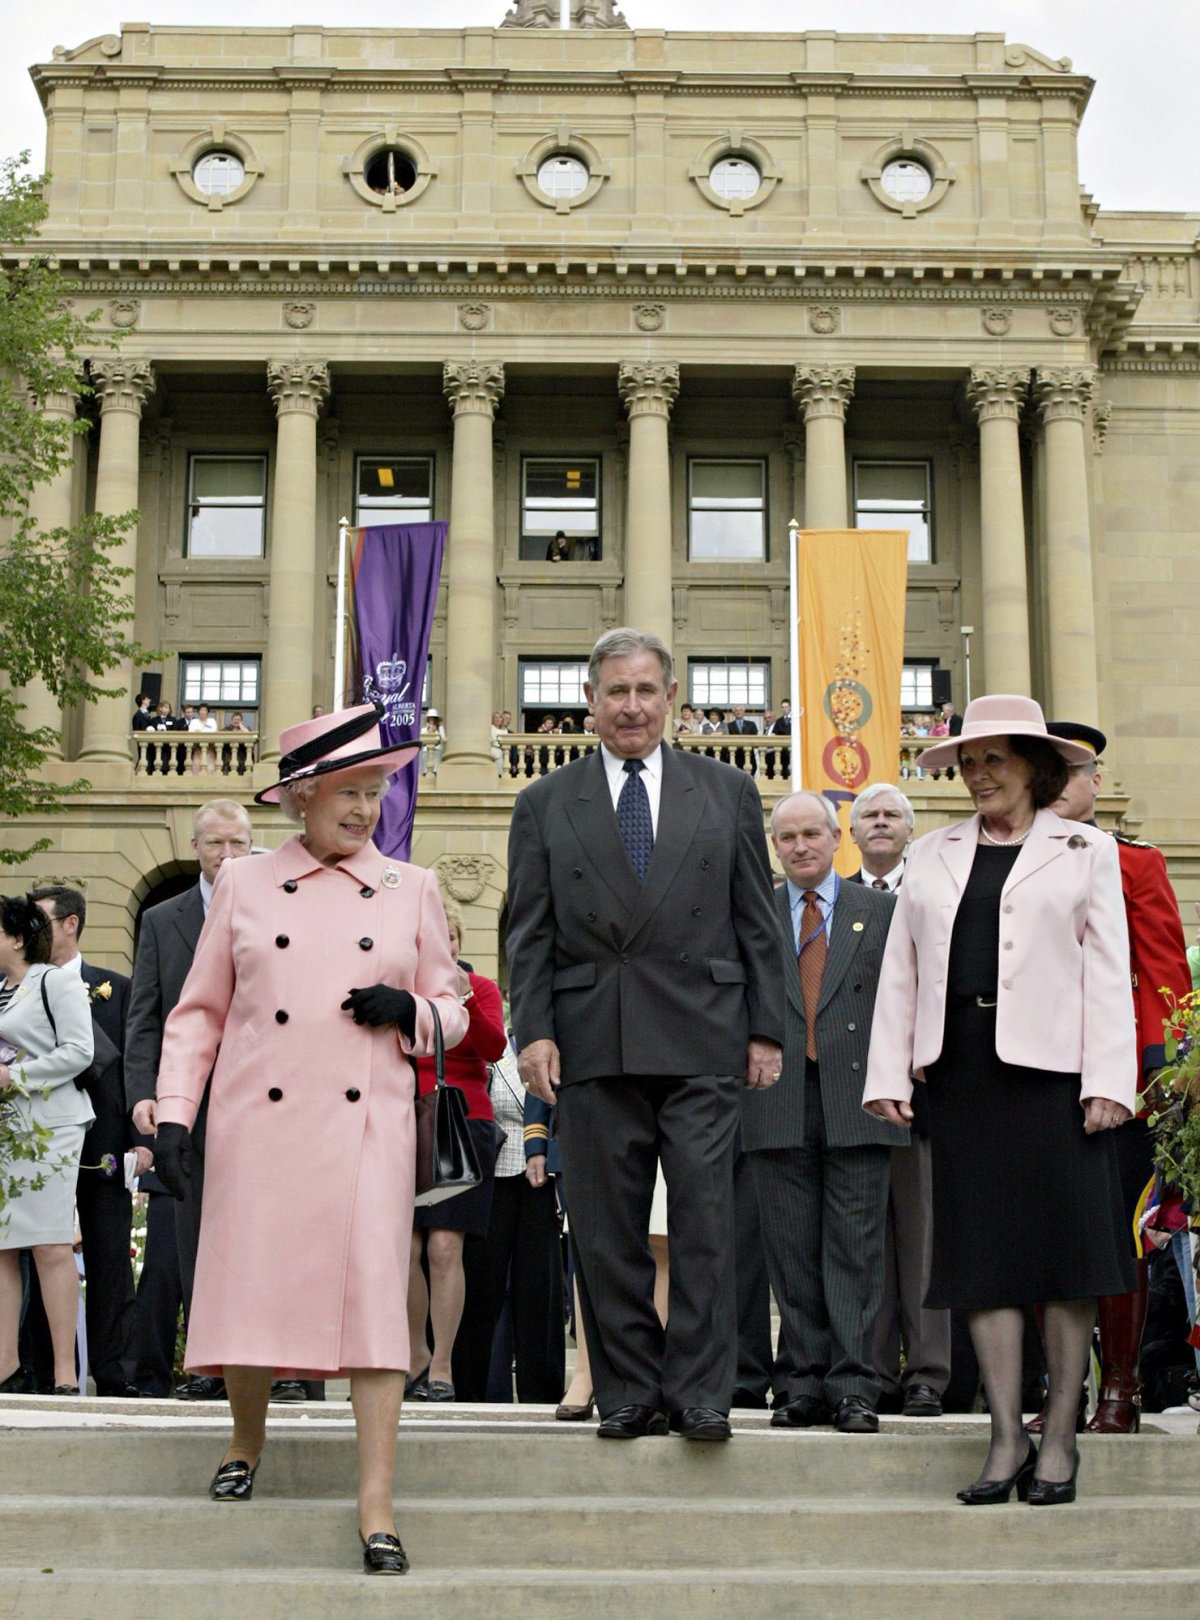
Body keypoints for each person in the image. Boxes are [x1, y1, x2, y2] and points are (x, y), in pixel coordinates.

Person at [151, 703, 466, 1575]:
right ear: (300, 798)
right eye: (348, 793)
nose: (365, 809)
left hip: (367, 1124)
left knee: (371, 1306)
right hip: (260, 1121)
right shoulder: (245, 885)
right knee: (253, 1292)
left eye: (374, 792)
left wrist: (415, 1012)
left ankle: (377, 1502)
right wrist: (176, 1112)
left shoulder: (414, 889)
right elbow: (199, 1012)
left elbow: (459, 1010)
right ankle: (245, 1441)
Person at [507, 626, 783, 1443]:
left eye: (645, 690)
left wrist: (765, 1029)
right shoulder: (544, 803)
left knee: (704, 1221)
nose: (631, 706)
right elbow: (528, 931)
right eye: (615, 692)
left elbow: (755, 922)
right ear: (589, 702)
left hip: (704, 1033)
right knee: (605, 1226)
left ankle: (702, 1391)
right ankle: (628, 1389)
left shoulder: (726, 791)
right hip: (594, 1038)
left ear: (672, 700)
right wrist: (534, 1033)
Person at [864, 695, 1138, 1507]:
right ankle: (1005, 1434)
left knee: (1064, 1255)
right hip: (962, 1077)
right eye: (969, 762)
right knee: (979, 1259)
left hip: (1058, 1080)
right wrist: (888, 1073)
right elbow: (902, 969)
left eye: (996, 760)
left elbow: (1106, 971)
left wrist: (1108, 1084)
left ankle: (1058, 1435)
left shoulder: (1086, 849)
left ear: (1034, 766)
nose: (980, 775)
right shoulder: (935, 853)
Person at [1045, 719, 1193, 1434]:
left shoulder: (1134, 862)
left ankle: (1122, 1390)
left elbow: (1166, 970)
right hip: (1038, 1071)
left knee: (1120, 1232)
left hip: (1120, 1079)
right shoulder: (1018, 860)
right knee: (1049, 1234)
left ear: (1095, 783)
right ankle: (1062, 1393)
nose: (1060, 785)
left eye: (1072, 772)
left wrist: (1161, 1068)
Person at [743, 791, 903, 1434]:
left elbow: (907, 999)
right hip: (776, 1097)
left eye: (813, 833)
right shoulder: (751, 915)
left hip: (861, 1098)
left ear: (839, 838)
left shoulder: (883, 912)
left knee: (856, 1251)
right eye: (788, 837)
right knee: (790, 1249)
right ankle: (801, 1383)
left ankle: (856, 1384)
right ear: (774, 847)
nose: (801, 846)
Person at [125, 800, 255, 1401]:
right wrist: (142, 1098)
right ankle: (209, 1363)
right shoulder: (161, 919)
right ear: (196, 848)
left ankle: (282, 1368)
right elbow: (145, 1019)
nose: (227, 857)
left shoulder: (274, 902)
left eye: (238, 844)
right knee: (194, 1233)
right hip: (189, 1105)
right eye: (215, 846)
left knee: (265, 1230)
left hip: (264, 1098)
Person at [846, 788, 951, 1416]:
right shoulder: (828, 901)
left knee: (923, 1239)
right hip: (848, 1100)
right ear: (852, 832)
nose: (881, 824)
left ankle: (929, 1375)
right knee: (865, 1247)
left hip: (923, 1098)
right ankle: (874, 1371)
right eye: (869, 817)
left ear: (909, 830)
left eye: (892, 816)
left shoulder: (936, 891)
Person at [28, 886, 142, 1397]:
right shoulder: (17, 988)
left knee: (111, 1255)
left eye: (41, 923)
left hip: (105, 1141)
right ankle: (42, 1369)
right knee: (39, 1250)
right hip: (38, 1142)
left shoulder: (115, 988)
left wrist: (141, 1138)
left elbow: (139, 1065)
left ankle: (114, 1370)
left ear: (70, 924)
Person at [408, 898, 505, 1403]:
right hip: (405, 1117)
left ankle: (442, 1366)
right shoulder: (408, 991)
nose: (444, 947)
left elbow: (493, 1049)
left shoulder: (482, 988)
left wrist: (465, 1003)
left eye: (452, 939)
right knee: (407, 1247)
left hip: (465, 1121)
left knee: (446, 1245)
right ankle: (415, 1356)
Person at [0, 896, 94, 1396]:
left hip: (49, 1128)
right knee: (0, 1248)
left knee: (50, 1244)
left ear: (16, 937)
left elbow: (80, 1052)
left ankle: (63, 1374)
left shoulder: (53, 980)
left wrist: (15, 1077)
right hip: (4, 1130)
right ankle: (6, 1367)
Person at [452, 1032, 565, 1404]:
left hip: (541, 1179)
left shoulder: (557, 1050)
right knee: (481, 1289)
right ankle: (473, 1388)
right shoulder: (493, 1048)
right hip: (490, 1177)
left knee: (539, 1290)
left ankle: (542, 1390)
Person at [847, 783, 913, 894]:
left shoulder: (933, 888)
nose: (881, 822)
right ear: (853, 834)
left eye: (892, 815)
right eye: (870, 815)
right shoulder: (837, 897)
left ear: (909, 833)